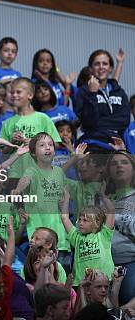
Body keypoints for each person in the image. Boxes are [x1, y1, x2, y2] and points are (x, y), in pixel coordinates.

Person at [12, 133, 71, 268]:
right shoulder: (32, 170)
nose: (48, 148)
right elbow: (25, 180)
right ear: (33, 153)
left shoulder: (59, 172)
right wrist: (18, 189)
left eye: (50, 145)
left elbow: (65, 197)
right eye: (42, 145)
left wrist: (64, 202)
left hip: (62, 242)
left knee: (61, 282)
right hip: (40, 244)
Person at [75, 49, 130, 150]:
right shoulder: (83, 91)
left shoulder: (119, 91)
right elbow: (88, 122)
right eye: (97, 64)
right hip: (93, 143)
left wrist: (100, 124)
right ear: (91, 69)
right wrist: (92, 94)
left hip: (118, 143)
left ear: (110, 68)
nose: (101, 67)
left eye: (105, 64)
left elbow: (124, 120)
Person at [60, 188, 115, 287]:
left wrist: (102, 195)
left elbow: (111, 210)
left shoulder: (104, 235)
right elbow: (64, 218)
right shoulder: (76, 237)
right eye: (79, 219)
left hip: (103, 282)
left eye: (85, 220)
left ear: (97, 223)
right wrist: (67, 198)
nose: (80, 223)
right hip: (82, 284)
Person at [106, 151, 135, 304]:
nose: (119, 166)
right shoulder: (102, 198)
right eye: (114, 163)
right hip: (103, 265)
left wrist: (113, 217)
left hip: (131, 263)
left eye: (124, 162)